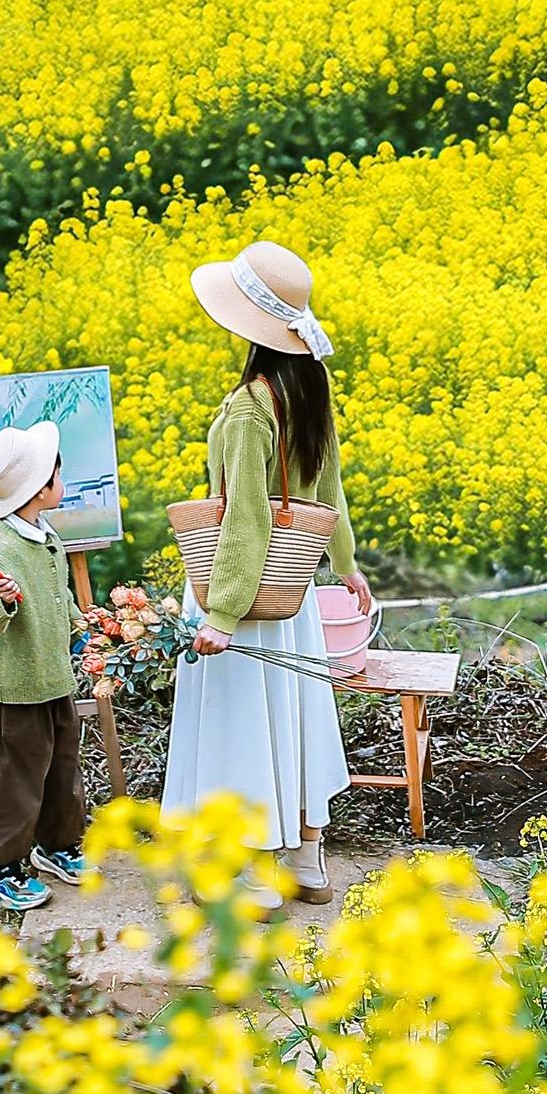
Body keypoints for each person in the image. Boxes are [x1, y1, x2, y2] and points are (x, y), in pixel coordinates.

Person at [162, 238, 368, 905]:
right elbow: (330, 493)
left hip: (242, 595)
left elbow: (244, 520)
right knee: (297, 718)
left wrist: (221, 615)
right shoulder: (311, 390)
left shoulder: (249, 410)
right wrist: (345, 566)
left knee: (243, 728)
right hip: (292, 592)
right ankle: (306, 862)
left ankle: (253, 877)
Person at [0, 419, 89, 914]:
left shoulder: (45, 537)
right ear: (40, 489)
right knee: (10, 781)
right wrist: (3, 602)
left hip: (53, 678)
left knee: (60, 769)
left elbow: (58, 597)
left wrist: (83, 626)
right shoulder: (4, 546)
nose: (62, 479)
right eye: (58, 473)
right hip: (14, 688)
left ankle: (56, 845)